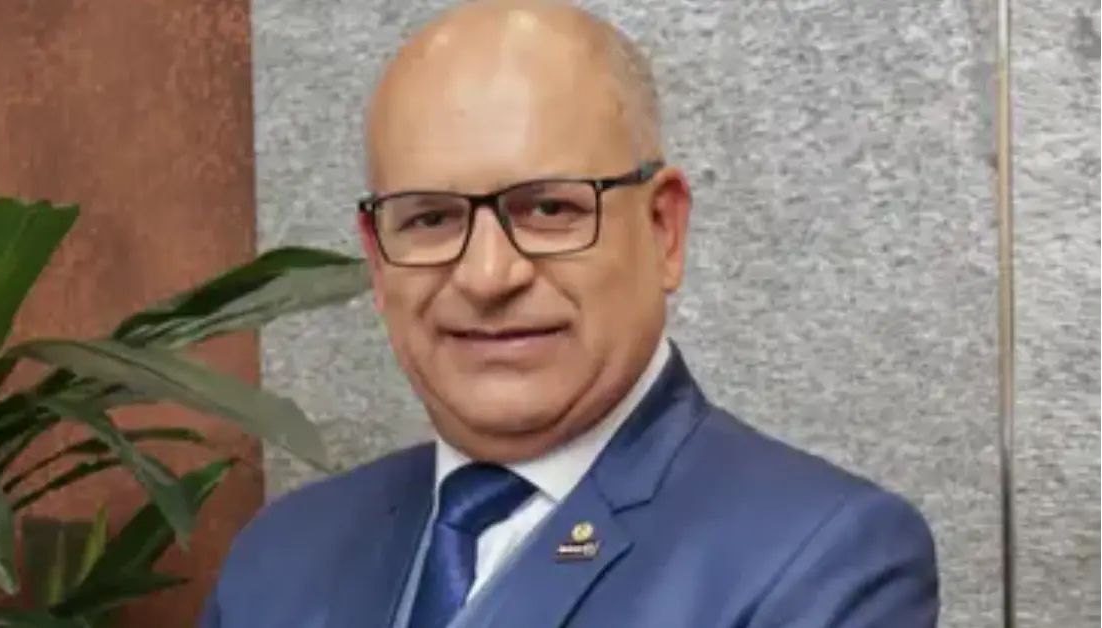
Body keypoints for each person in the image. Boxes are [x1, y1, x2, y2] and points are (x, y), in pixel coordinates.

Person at [200, 0, 940, 626]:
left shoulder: (822, 560)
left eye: (549, 209)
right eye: (430, 219)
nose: (487, 276)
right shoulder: (281, 559)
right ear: (376, 257)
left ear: (663, 230)